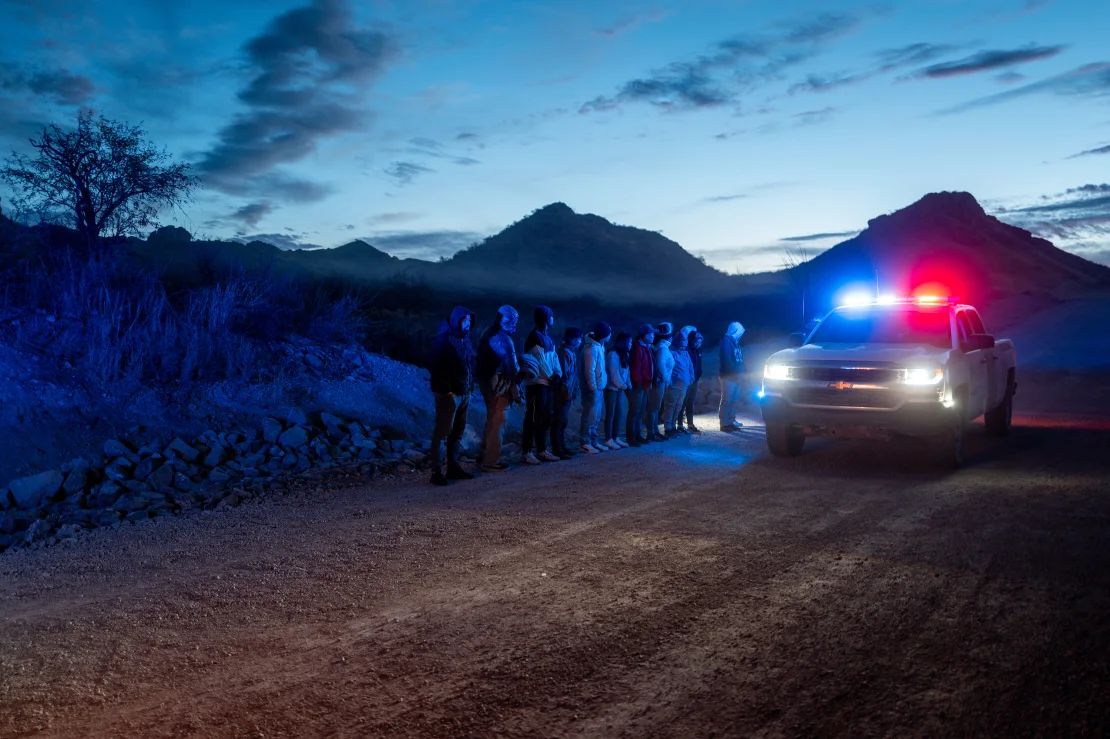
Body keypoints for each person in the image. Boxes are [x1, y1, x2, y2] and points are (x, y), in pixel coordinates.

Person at [428, 306, 476, 486]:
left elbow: (469, 364)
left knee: (457, 433)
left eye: (470, 321)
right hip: (450, 395)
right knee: (442, 433)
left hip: (464, 392)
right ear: (457, 320)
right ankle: (436, 472)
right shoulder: (443, 341)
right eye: (465, 320)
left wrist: (470, 387)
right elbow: (436, 367)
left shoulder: (465, 340)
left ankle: (453, 466)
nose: (468, 324)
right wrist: (446, 391)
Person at [476, 305, 521, 471]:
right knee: (498, 419)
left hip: (486, 380)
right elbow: (512, 367)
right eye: (510, 320)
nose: (513, 323)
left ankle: (484, 455)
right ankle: (490, 460)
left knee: (492, 418)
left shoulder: (488, 332)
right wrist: (519, 378)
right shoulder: (502, 338)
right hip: (496, 381)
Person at [521, 305, 562, 464]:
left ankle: (542, 449)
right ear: (545, 318)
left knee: (544, 417)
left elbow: (553, 358)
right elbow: (540, 360)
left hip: (546, 382)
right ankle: (527, 451)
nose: (553, 319)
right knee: (532, 417)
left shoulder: (547, 337)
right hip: (536, 383)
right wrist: (552, 376)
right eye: (551, 316)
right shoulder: (535, 336)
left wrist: (557, 373)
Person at [579, 321, 611, 453]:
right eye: (609, 333)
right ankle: (585, 441)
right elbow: (589, 370)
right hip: (593, 388)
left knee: (596, 416)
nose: (610, 336)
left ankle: (593, 440)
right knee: (589, 415)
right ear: (604, 335)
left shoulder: (599, 346)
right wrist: (593, 387)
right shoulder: (591, 348)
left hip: (599, 387)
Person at [552, 327, 582, 459]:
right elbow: (564, 375)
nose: (580, 341)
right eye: (578, 338)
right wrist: (566, 391)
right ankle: (557, 449)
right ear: (572, 339)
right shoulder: (564, 353)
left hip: (567, 392)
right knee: (559, 420)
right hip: (562, 392)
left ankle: (561, 447)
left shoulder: (570, 352)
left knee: (563, 421)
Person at [627, 323, 655, 446]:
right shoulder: (638, 347)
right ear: (644, 335)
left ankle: (637, 434)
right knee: (634, 411)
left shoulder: (645, 347)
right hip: (639, 385)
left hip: (645, 384)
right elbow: (636, 367)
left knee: (640, 411)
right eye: (650, 334)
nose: (653, 336)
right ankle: (631, 436)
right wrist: (638, 382)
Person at [665, 325, 696, 435]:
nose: (684, 346)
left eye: (685, 343)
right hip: (674, 384)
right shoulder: (672, 352)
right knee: (671, 405)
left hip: (684, 384)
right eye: (682, 343)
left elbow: (690, 366)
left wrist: (691, 376)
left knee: (678, 406)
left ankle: (673, 425)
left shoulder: (685, 352)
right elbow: (669, 367)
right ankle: (668, 427)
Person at [646, 322, 674, 441]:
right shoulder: (662, 349)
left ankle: (654, 431)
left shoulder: (662, 347)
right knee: (654, 408)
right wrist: (666, 378)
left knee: (655, 407)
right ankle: (651, 432)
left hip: (661, 381)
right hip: (659, 381)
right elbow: (660, 365)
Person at [604, 332, 632, 449]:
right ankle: (608, 438)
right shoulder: (613, 354)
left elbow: (627, 372)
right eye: (629, 342)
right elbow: (613, 374)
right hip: (612, 389)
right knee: (611, 414)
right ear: (623, 343)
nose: (630, 344)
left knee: (619, 413)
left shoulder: (625, 354)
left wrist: (628, 384)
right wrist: (624, 386)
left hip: (620, 388)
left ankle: (615, 437)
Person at [718, 321, 747, 431]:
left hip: (737, 376)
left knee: (734, 399)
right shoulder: (726, 341)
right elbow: (726, 360)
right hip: (728, 376)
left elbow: (739, 359)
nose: (741, 334)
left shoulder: (735, 342)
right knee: (727, 399)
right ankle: (724, 423)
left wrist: (744, 372)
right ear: (735, 331)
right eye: (740, 332)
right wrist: (734, 374)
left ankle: (731, 420)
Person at [682, 331, 705, 434]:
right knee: (683, 403)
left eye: (700, 342)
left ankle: (690, 424)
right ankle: (679, 424)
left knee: (690, 403)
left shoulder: (698, 352)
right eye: (696, 341)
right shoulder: (687, 351)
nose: (698, 344)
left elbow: (698, 366)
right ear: (691, 341)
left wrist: (699, 375)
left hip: (694, 381)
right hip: (687, 381)